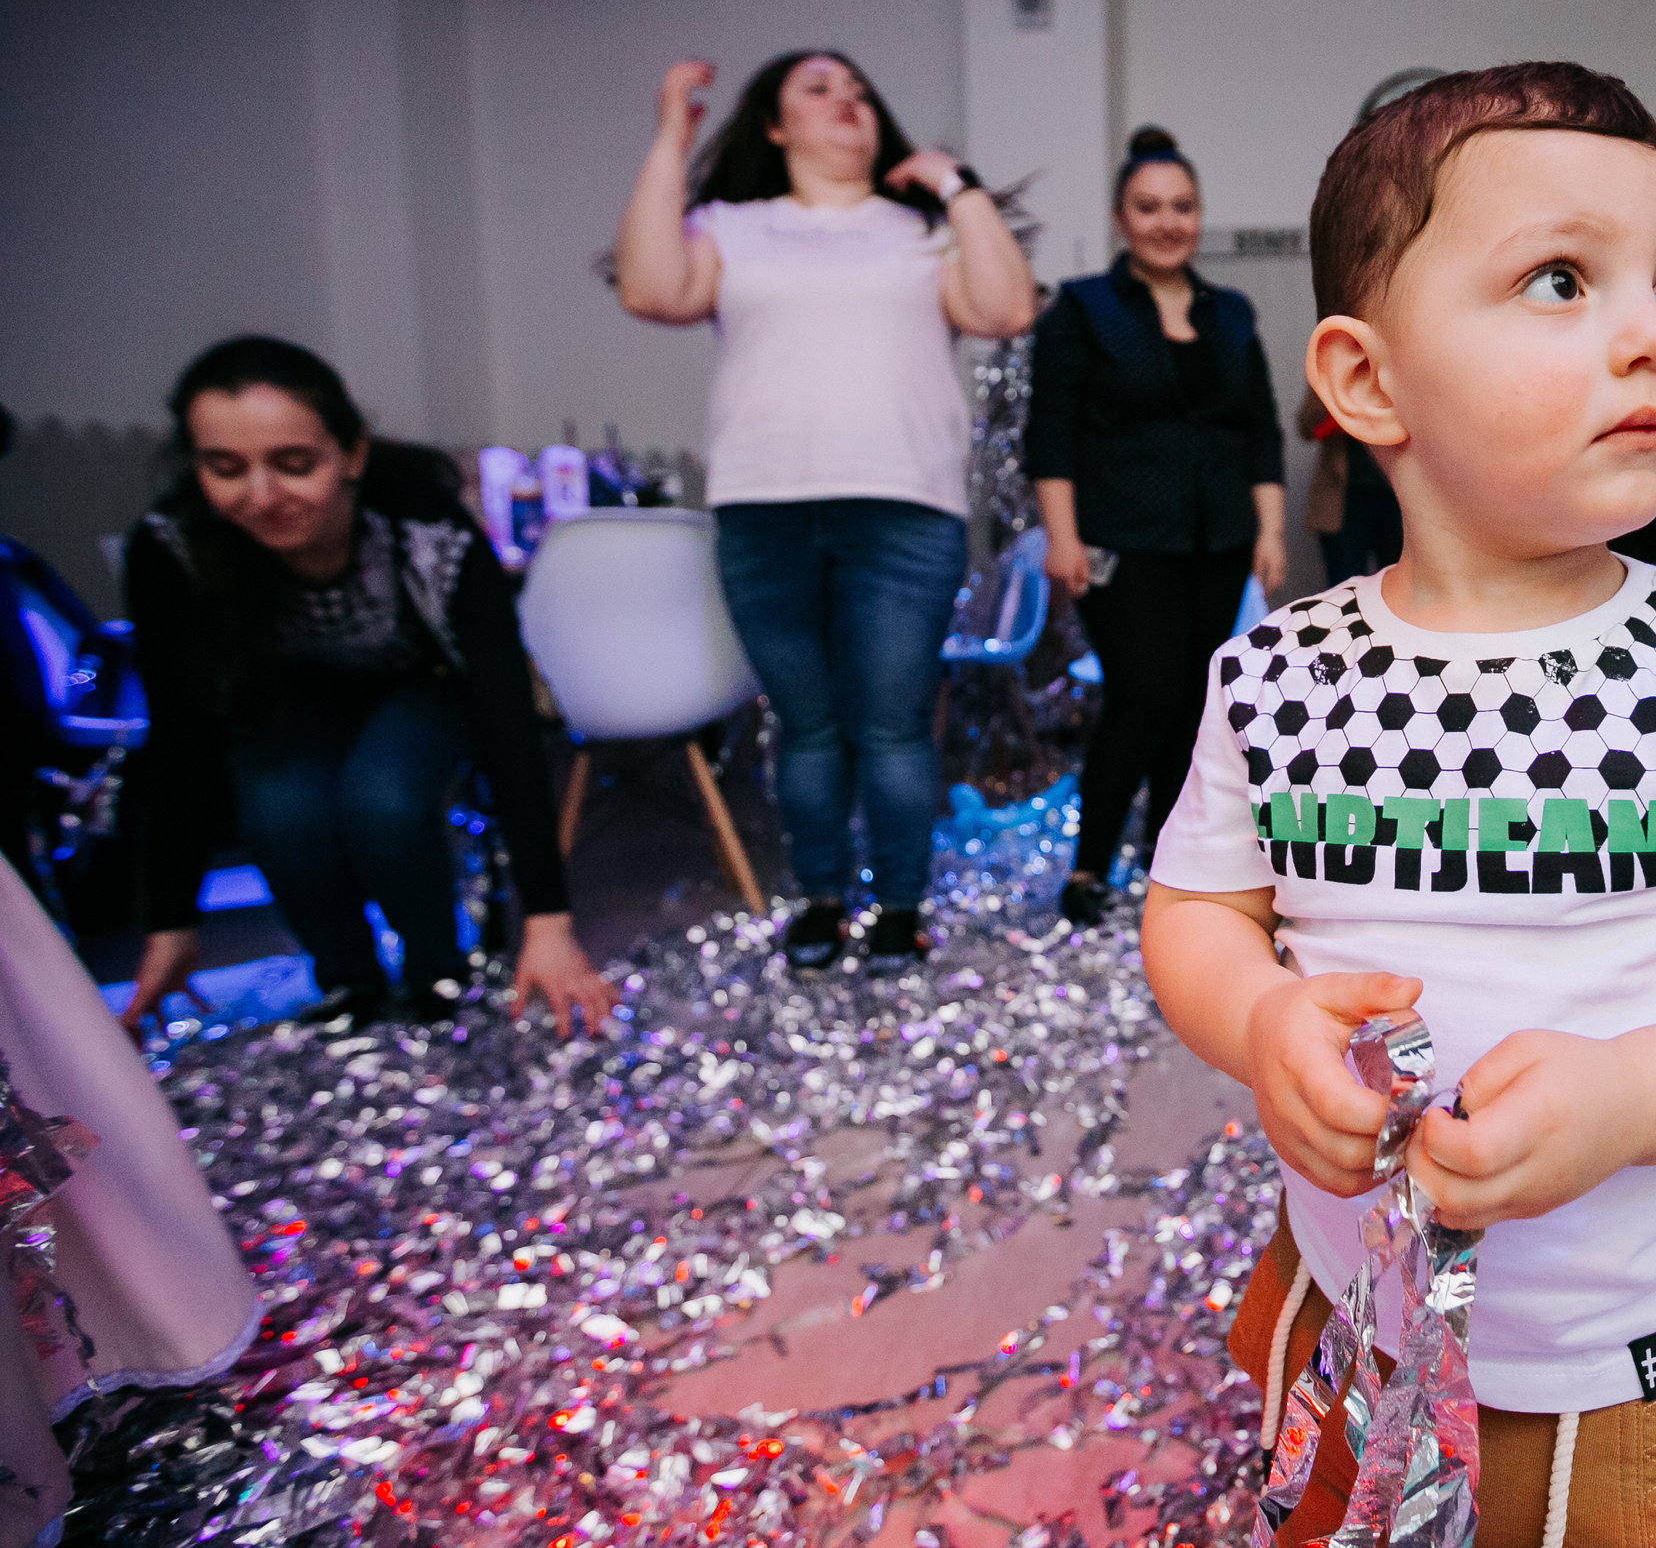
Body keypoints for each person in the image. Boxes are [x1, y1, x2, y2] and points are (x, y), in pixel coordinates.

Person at [1141, 64, 1656, 1546]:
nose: (1652, 335)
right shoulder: (1274, 670)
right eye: (1563, 278)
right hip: (1347, 1319)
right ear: (1368, 381)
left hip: (1617, 1366)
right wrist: (1256, 1020)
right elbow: (1199, 908)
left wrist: (1634, 1098)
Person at [614, 51, 1037, 969]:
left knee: (889, 723)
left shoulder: (922, 228)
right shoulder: (729, 225)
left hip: (903, 509)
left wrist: (956, 185)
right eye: (819, 89)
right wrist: (669, 138)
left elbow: (1006, 308)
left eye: (858, 88)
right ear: (774, 126)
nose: (847, 99)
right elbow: (651, 288)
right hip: (764, 508)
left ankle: (897, 909)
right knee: (806, 725)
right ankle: (818, 899)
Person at [120, 338, 613, 1037]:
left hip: (422, 686)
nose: (262, 496)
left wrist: (548, 922)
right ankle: (349, 983)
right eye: (225, 468)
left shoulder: (432, 534)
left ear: (351, 454)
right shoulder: (171, 549)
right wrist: (170, 919)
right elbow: (180, 734)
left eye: (294, 464)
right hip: (288, 698)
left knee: (384, 798)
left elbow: (507, 722)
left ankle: (438, 976)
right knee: (280, 811)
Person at [1028, 127, 1287, 926]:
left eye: (1182, 206)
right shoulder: (1084, 308)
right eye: (1149, 207)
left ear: (1199, 214)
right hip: (1118, 539)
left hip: (1220, 540)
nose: (1167, 221)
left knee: (1193, 705)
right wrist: (1061, 535)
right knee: (1142, 694)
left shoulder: (1231, 311)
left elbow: (1259, 429)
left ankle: (1172, 866)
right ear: (1120, 217)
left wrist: (1269, 531)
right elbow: (1052, 430)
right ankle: (1090, 867)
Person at [1298, 386, 1403, 586]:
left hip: (1395, 498)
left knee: (1402, 585)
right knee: (1345, 585)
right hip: (1342, 500)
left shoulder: (1399, 370)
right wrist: (1335, 407)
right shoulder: (1331, 369)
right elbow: (1306, 427)